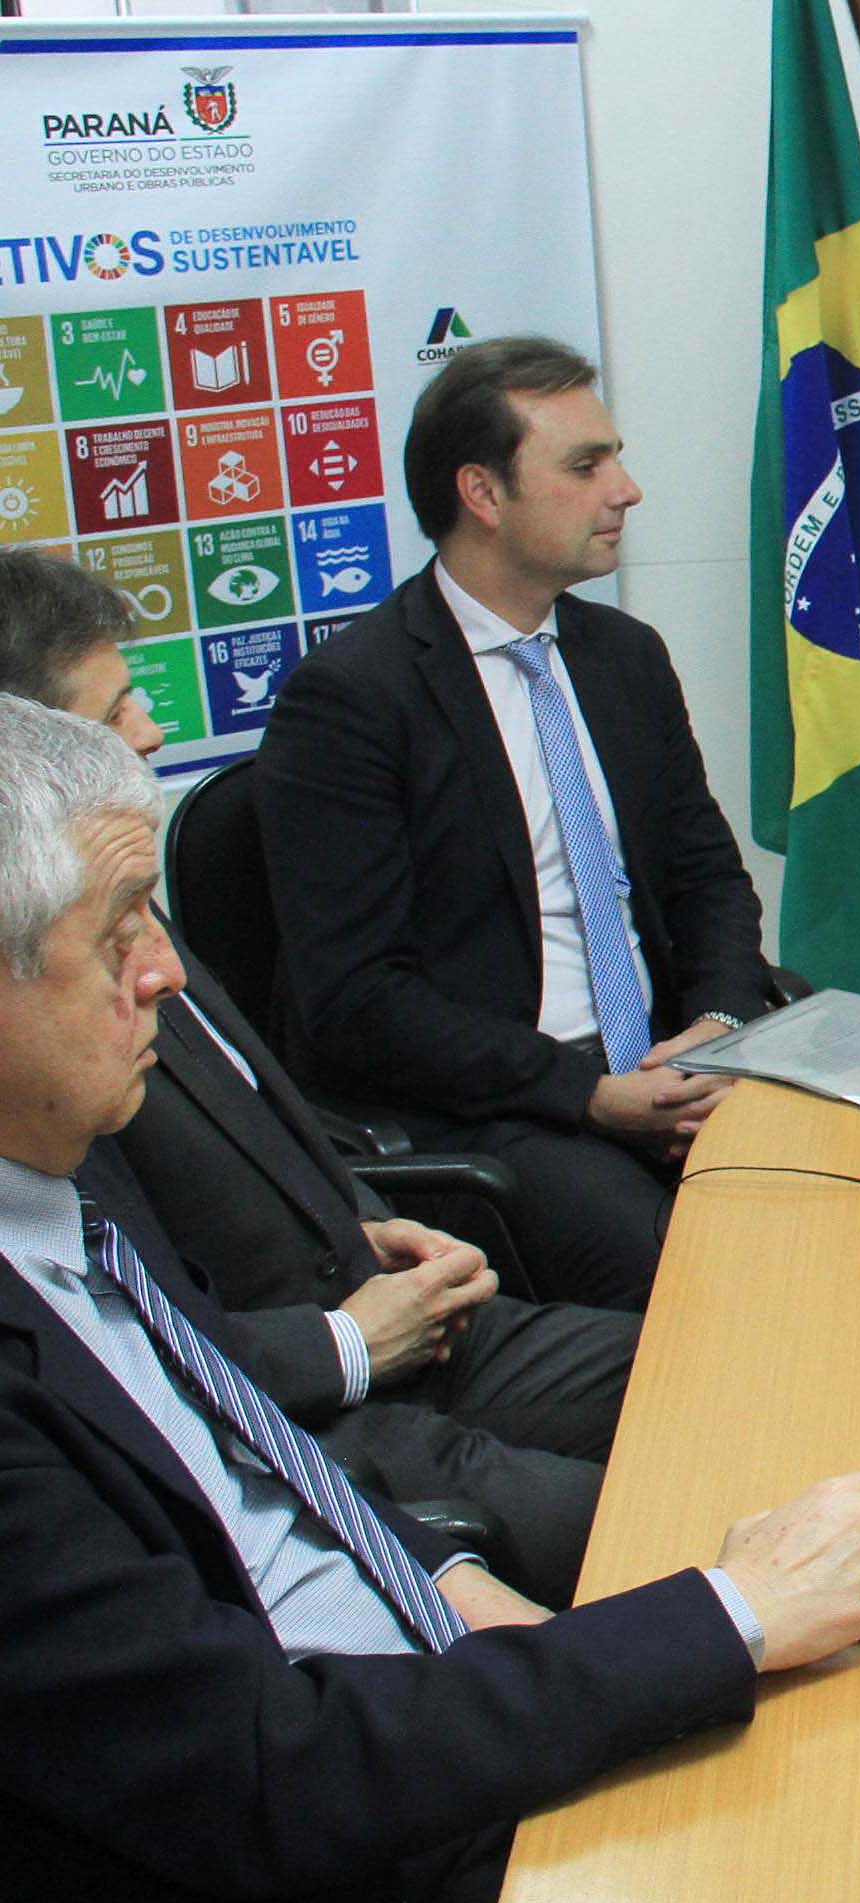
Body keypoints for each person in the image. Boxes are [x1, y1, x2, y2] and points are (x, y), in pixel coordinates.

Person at [0, 694, 860, 1903]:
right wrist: (728, 1613)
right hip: (349, 1892)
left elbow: (236, 1454)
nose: (165, 965)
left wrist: (437, 1569)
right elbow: (264, 1775)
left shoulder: (64, 1174)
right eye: (116, 930)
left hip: (417, 1684)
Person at [0, 547, 638, 1603]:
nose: (154, 733)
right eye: (119, 712)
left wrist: (363, 1215)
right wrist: (344, 1342)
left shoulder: (123, 901)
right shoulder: (49, 1003)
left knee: (728, 1377)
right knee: (668, 1506)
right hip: (318, 1415)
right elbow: (141, 1345)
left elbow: (264, 1117)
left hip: (403, 1314)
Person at [258, 336, 771, 1311]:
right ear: (483, 495)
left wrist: (718, 1027)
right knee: (708, 1283)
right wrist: (588, 1094)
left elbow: (709, 880)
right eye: (586, 465)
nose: (626, 490)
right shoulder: (354, 700)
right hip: (508, 1104)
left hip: (677, 1064)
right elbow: (358, 1000)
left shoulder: (622, 656)